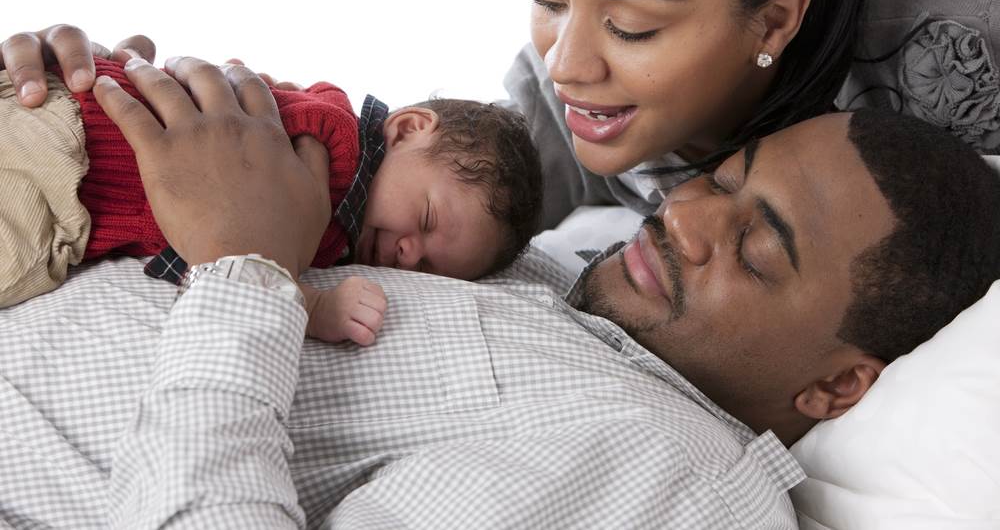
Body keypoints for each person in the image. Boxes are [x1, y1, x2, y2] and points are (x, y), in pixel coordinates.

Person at [1, 59, 998, 528]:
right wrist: (93, 113)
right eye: (720, 178)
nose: (685, 215)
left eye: (758, 245)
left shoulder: (668, 480)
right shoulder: (564, 266)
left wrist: (240, 269)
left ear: (835, 386)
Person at [0, 0, 872, 234]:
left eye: (631, 26)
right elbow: (435, 193)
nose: (565, 64)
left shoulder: (957, 63)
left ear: (774, 21)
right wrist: (93, 116)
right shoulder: (544, 112)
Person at [0, 57, 542, 345]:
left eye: (426, 265)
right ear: (406, 129)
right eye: (425, 220)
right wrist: (316, 307)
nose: (405, 253)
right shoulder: (334, 153)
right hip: (67, 154)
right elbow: (245, 254)